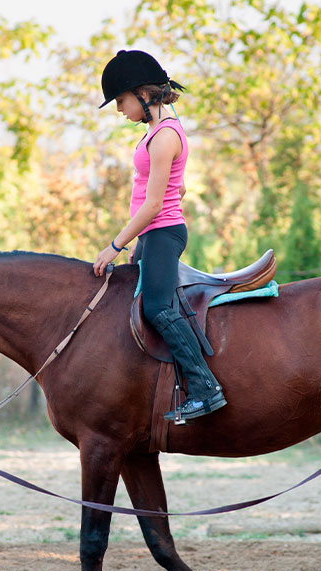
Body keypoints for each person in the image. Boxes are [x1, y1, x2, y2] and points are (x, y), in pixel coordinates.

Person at [93, 49, 226, 423]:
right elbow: (178, 188)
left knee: (157, 308)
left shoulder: (165, 135)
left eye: (120, 100)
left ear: (142, 93)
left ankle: (205, 388)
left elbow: (153, 206)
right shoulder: (158, 130)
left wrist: (115, 245)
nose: (119, 109)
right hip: (152, 233)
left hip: (163, 230)